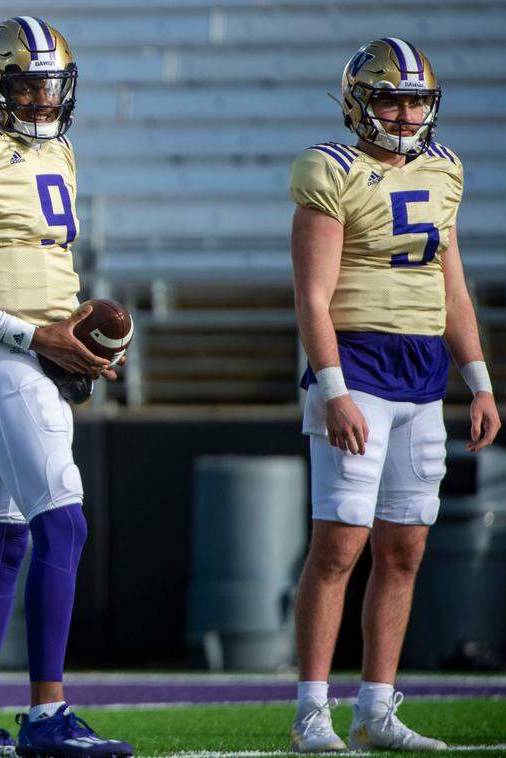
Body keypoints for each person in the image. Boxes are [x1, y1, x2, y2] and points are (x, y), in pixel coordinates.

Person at [0, 16, 133, 758]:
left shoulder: (61, 153)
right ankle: (47, 714)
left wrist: (78, 341)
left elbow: (44, 268)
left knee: (4, 539)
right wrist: (32, 335)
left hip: (36, 355)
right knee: (63, 523)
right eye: (24, 84)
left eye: (50, 85)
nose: (39, 99)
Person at [289, 37, 499, 753]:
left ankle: (376, 708)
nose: (405, 113)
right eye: (390, 98)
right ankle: (311, 710)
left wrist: (479, 381)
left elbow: (452, 285)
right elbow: (312, 298)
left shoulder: (443, 170)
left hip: (421, 372)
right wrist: (335, 389)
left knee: (405, 548)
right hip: (355, 364)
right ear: (359, 103)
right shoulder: (331, 169)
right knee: (339, 546)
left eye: (415, 100)